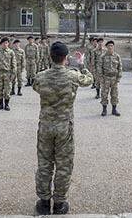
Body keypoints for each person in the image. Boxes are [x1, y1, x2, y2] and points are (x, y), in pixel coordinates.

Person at [33, 42, 93, 215]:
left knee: (45, 163)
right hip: (64, 127)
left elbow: (36, 87)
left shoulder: (41, 76)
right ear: (66, 58)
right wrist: (81, 63)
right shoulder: (73, 76)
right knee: (63, 165)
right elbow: (89, 80)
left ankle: (44, 203)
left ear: (51, 57)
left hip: (45, 126)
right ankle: (59, 203)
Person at [99, 40, 122, 116]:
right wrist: (101, 78)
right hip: (106, 78)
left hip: (114, 79)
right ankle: (104, 109)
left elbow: (120, 68)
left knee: (114, 94)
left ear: (113, 47)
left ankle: (114, 110)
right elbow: (99, 67)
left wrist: (118, 78)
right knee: (104, 94)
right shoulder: (103, 56)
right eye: (109, 45)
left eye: (111, 45)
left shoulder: (117, 56)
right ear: (106, 47)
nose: (110, 47)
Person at [0, 37, 16, 111]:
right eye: (3, 43)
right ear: (1, 44)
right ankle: (0, 104)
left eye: (6, 43)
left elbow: (14, 64)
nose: (5, 44)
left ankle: (6, 104)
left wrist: (13, 74)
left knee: (7, 89)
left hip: (7, 73)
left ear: (8, 44)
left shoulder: (11, 52)